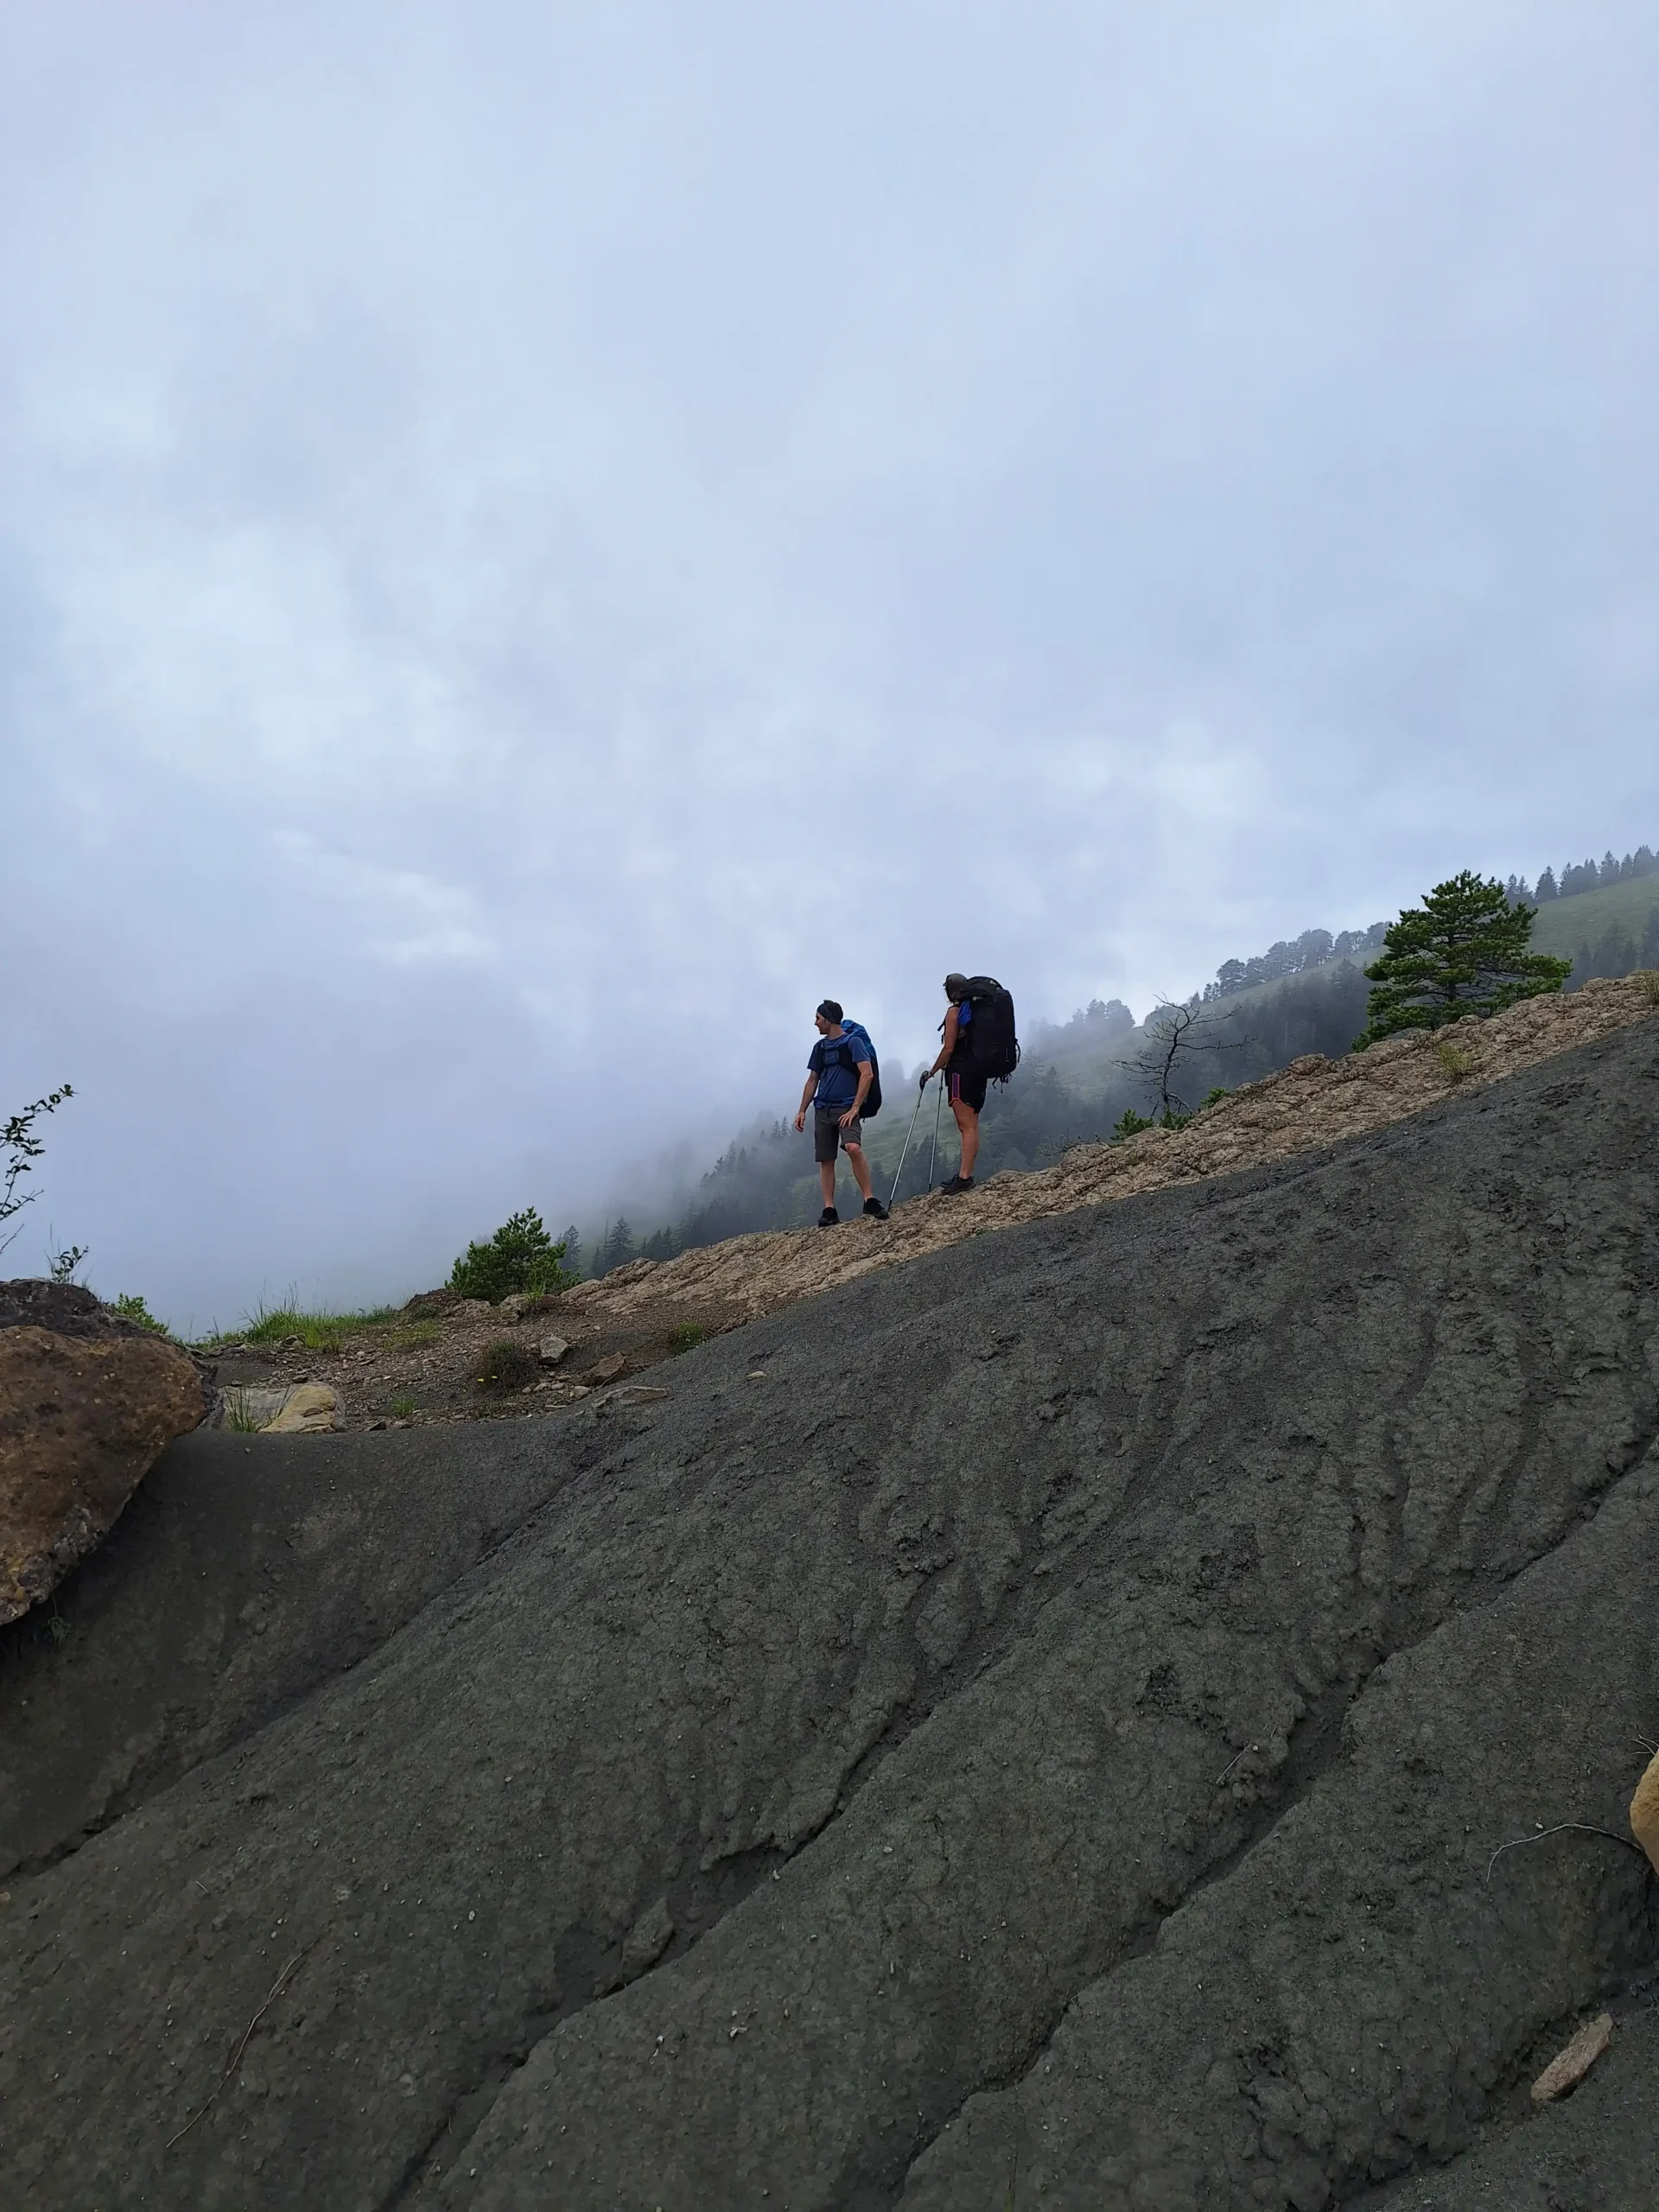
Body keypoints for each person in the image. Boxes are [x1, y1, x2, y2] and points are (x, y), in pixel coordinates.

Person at [795, 1000, 889, 1226]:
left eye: (818, 1018)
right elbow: (813, 1080)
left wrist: (855, 1107)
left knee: (853, 1147)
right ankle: (829, 1209)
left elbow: (867, 1074)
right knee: (826, 1159)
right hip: (823, 1108)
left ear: (829, 1020)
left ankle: (869, 1200)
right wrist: (802, 1110)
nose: (815, 1023)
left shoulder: (853, 1042)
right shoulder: (819, 1048)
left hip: (846, 1107)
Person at [925, 971, 983, 1194]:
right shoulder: (976, 1010)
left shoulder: (954, 1013)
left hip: (960, 1073)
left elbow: (949, 1048)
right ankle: (967, 1173)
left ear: (949, 993)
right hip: (978, 1072)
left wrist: (932, 1071)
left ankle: (964, 1178)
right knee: (973, 1125)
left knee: (965, 1127)